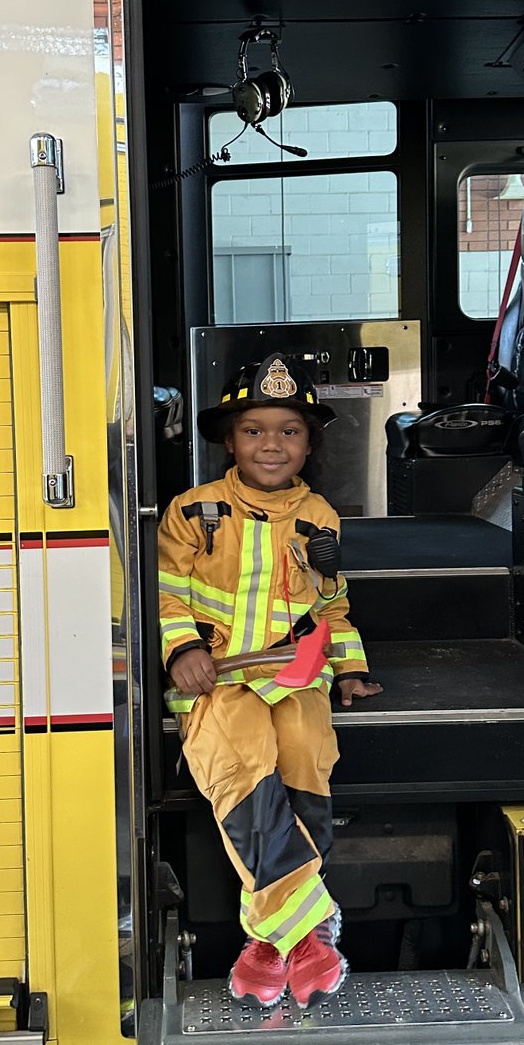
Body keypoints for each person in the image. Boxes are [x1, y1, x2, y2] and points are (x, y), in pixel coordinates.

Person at [157, 353, 382, 1011]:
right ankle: (309, 931)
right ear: (229, 440)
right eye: (254, 430)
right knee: (241, 759)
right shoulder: (195, 513)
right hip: (216, 677)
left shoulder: (320, 517)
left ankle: (268, 939)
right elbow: (170, 598)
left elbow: (329, 606)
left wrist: (350, 667)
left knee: (307, 756)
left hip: (294, 678)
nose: (271, 444)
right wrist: (181, 654)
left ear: (309, 444)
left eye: (289, 431)